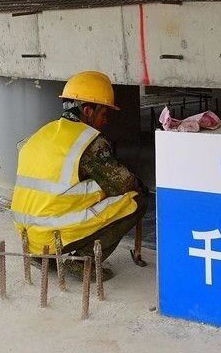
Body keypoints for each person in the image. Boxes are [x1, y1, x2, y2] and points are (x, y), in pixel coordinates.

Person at [11, 71, 146, 279]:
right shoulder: (88, 142)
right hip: (52, 233)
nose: (105, 121)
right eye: (103, 114)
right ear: (88, 111)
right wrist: (139, 184)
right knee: (137, 199)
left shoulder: (41, 133)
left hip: (27, 235)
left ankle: (42, 256)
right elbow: (124, 183)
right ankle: (83, 261)